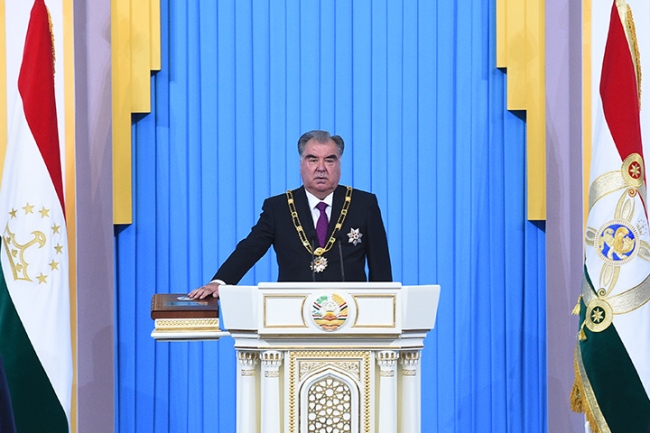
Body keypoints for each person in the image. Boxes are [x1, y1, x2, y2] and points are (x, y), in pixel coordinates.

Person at [188, 130, 392, 299]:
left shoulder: (363, 204)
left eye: (330, 160)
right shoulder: (279, 208)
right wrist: (221, 281)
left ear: (339, 166)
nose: (321, 168)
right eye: (312, 159)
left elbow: (380, 264)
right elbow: (251, 248)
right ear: (301, 165)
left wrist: (384, 307)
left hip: (351, 313)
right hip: (292, 310)